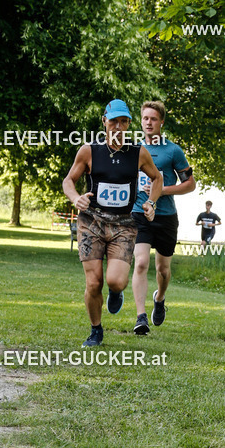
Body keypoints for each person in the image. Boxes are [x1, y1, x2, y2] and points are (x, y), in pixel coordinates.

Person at [62, 99, 163, 347]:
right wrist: (75, 198)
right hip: (92, 221)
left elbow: (157, 178)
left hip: (123, 224)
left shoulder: (138, 152)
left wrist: (151, 202)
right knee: (93, 282)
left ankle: (116, 292)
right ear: (104, 121)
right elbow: (68, 180)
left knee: (116, 281)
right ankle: (96, 330)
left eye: (124, 122)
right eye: (114, 121)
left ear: (128, 124)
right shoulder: (89, 150)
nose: (118, 126)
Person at [131, 100, 196, 333]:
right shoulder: (133, 149)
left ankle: (159, 298)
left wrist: (161, 190)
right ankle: (141, 317)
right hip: (139, 213)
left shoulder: (173, 151)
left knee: (163, 270)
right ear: (141, 121)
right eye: (145, 118)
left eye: (154, 119)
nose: (149, 123)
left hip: (166, 215)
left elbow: (190, 184)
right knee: (140, 263)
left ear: (161, 123)